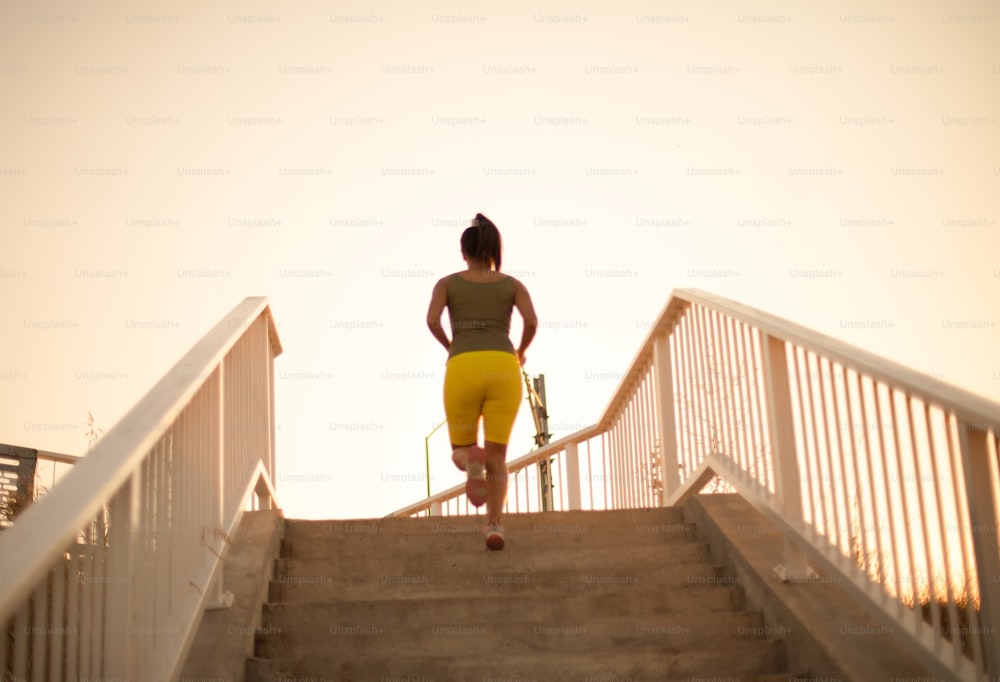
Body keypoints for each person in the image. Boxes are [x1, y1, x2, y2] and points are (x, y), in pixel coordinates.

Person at [426, 213, 538, 550]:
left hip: (463, 366)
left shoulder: (447, 283)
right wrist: (519, 351)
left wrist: (451, 345)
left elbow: (431, 320)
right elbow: (531, 321)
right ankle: (494, 526)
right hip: (503, 367)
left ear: (463, 252)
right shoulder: (512, 285)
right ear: (492, 250)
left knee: (462, 449)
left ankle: (469, 461)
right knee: (498, 457)